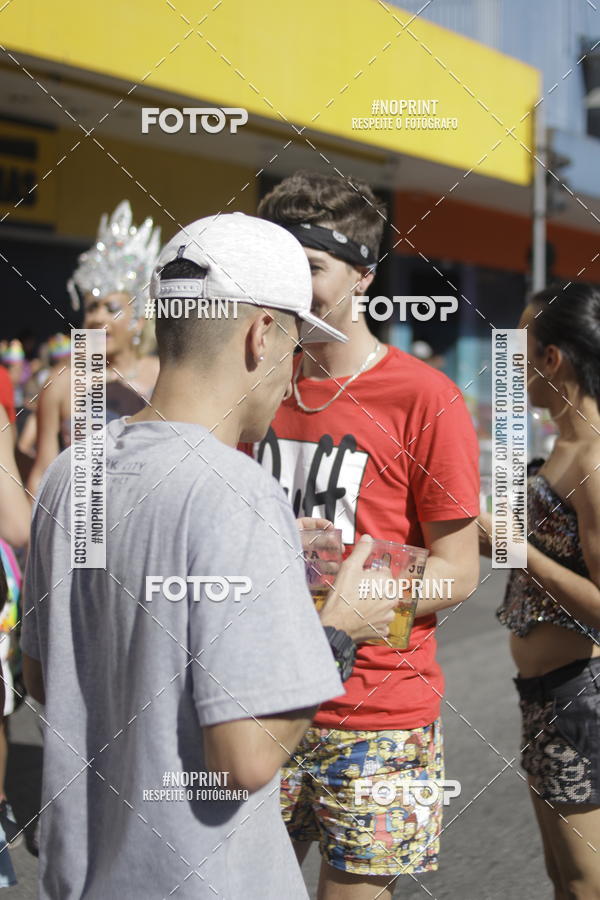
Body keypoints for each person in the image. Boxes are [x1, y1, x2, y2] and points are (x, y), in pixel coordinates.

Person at [21, 212, 399, 899]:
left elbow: (48, 676)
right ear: (260, 335)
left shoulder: (71, 475)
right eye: (296, 348)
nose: (292, 380)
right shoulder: (238, 494)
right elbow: (244, 760)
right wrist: (337, 630)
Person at [244, 170, 480, 899]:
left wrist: (360, 599)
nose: (292, 286)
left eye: (310, 267)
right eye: (277, 265)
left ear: (364, 276)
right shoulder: (252, 382)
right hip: (255, 701)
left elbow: (459, 571)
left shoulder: (425, 397)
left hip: (381, 717)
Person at [479, 283, 600, 898]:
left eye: (520, 349)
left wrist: (517, 551)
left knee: (585, 882)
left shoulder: (593, 460)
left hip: (584, 696)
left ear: (552, 359)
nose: (512, 367)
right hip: (546, 696)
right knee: (562, 876)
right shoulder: (562, 447)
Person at [27, 201, 161, 496]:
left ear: (138, 319)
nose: (98, 317)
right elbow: (42, 475)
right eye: (91, 307)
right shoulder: (62, 382)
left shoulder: (163, 376)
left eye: (111, 308)